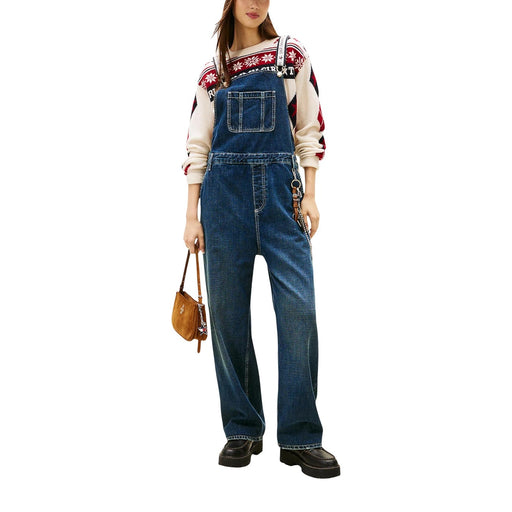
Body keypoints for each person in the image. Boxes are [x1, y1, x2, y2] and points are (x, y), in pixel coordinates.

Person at [182, 0, 339, 479]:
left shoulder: (290, 56)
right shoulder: (213, 73)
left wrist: (311, 194)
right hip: (222, 203)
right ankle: (242, 429)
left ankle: (300, 437)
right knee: (228, 318)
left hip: (282, 200)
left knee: (298, 312)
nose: (255, 3)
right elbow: (197, 144)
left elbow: (309, 127)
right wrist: (191, 216)